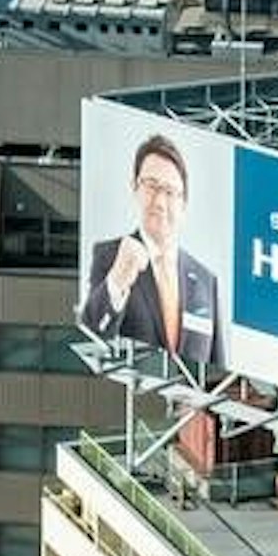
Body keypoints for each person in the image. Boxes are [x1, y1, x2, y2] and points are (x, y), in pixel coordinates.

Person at [79, 125, 224, 378]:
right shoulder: (109, 256)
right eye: (151, 186)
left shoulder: (205, 281)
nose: (159, 202)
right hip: (132, 407)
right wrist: (117, 280)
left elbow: (217, 369)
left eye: (169, 192)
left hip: (191, 414)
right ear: (135, 187)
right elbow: (92, 337)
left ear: (184, 203)